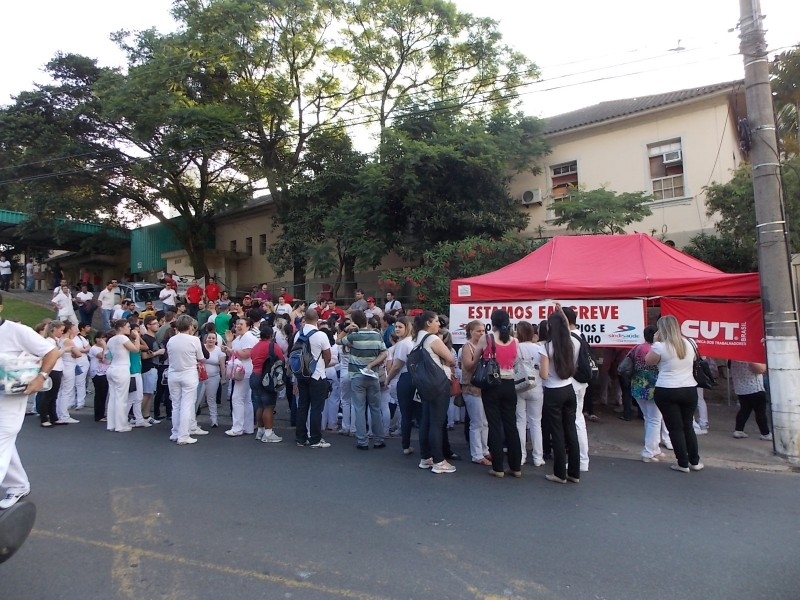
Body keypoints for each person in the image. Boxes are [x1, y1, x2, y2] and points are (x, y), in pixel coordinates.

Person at [0, 292, 60, 509]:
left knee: (2, 437)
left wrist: (40, 377)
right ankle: (18, 485)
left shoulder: (16, 331)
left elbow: (52, 352)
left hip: (10, 397)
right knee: (5, 444)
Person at [645, 315, 703, 473]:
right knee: (688, 425)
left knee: (675, 428)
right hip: (689, 388)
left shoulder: (660, 346)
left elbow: (648, 361)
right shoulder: (690, 343)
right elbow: (695, 359)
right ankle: (695, 461)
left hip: (667, 389)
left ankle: (682, 463)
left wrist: (655, 342)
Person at [471, 310, 522, 478]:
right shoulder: (515, 341)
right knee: (511, 425)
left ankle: (498, 467)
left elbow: (475, 360)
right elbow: (516, 362)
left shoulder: (487, 339)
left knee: (494, 425)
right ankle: (515, 466)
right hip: (509, 384)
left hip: (492, 385)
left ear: (492, 323)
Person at [539, 305, 582, 484]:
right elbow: (565, 323)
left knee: (557, 433)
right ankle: (574, 473)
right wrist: (561, 312)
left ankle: (559, 473)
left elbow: (543, 374)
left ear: (550, 327)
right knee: (571, 431)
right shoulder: (572, 343)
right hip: (569, 389)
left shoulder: (546, 347)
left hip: (553, 391)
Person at [413, 311, 457, 474]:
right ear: (428, 323)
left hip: (425, 383)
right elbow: (451, 358)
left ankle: (426, 457)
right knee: (437, 423)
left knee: (426, 421)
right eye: (437, 321)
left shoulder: (417, 339)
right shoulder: (432, 339)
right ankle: (439, 461)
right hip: (438, 383)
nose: (439, 324)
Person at [339, 310, 387, 450]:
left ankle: (362, 441)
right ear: (366, 320)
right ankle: (379, 439)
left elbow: (338, 341)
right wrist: (372, 364)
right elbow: (384, 353)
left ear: (354, 322)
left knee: (359, 408)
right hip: (373, 375)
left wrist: (346, 329)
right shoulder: (377, 335)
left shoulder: (353, 336)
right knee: (375, 408)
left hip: (356, 375)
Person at [293, 308, 332, 449]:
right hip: (317, 375)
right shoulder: (321, 335)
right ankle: (315, 439)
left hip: (301, 374)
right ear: (317, 319)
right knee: (316, 408)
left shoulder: (298, 334)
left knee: (302, 406)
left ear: (305, 318)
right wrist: (321, 365)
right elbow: (328, 356)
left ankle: (301, 438)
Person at [629, 326, 668, 462]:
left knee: (649, 418)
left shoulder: (638, 347)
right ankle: (649, 451)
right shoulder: (656, 349)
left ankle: (654, 448)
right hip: (652, 386)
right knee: (655, 419)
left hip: (637, 384)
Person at [167, 315, 208, 445]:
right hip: (189, 374)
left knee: (176, 405)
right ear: (190, 326)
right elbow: (201, 358)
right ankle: (183, 435)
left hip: (173, 374)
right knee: (187, 405)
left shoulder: (171, 340)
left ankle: (175, 432)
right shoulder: (194, 340)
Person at [457, 320, 491, 465]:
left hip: (484, 388)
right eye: (478, 331)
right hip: (471, 388)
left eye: (483, 331)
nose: (482, 333)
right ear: (471, 332)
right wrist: (479, 355)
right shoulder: (467, 347)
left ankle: (485, 450)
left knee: (485, 422)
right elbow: (467, 366)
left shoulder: (486, 345)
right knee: (476, 422)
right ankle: (477, 454)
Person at [562, 307, 591, 472]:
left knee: (575, 421)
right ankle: (581, 459)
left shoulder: (570, 339)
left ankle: (581, 459)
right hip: (580, 383)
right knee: (577, 420)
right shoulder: (580, 335)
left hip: (573, 383)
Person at [515, 321, 545, 467]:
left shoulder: (515, 348)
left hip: (519, 387)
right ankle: (538, 457)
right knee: (536, 422)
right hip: (536, 387)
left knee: (520, 421)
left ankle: (521, 456)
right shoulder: (539, 349)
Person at [249, 323, 284, 443]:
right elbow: (281, 359)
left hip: (254, 375)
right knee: (269, 406)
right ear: (271, 335)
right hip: (267, 378)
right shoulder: (272, 346)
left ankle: (260, 431)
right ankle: (268, 433)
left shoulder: (255, 347)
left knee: (260, 405)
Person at [223, 318, 258, 437]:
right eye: (237, 324)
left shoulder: (248, 337)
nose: (238, 326)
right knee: (246, 399)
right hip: (241, 370)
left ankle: (237, 428)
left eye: (241, 324)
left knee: (237, 398)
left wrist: (231, 350)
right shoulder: (239, 338)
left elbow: (247, 354)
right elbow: (232, 352)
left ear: (248, 327)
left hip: (244, 371)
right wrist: (229, 343)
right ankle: (247, 427)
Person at [105, 319, 141, 433]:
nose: (129, 328)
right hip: (121, 369)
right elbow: (135, 349)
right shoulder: (123, 338)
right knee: (121, 398)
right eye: (128, 326)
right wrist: (137, 337)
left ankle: (111, 424)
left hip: (112, 368)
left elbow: (107, 355)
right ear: (121, 328)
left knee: (113, 397)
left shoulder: (110, 340)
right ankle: (121, 425)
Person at [731, 360, 772, 440]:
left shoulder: (733, 359)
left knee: (744, 410)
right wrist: (763, 364)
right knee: (760, 412)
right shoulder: (750, 358)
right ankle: (765, 433)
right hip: (754, 388)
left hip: (741, 389)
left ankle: (738, 430)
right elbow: (760, 370)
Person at [88, 332, 110, 422]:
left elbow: (109, 358)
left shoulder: (106, 348)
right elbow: (102, 357)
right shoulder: (94, 348)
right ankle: (98, 415)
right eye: (99, 338)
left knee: (104, 394)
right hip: (97, 373)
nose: (101, 340)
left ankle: (102, 413)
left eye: (103, 338)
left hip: (105, 373)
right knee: (99, 394)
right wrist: (104, 347)